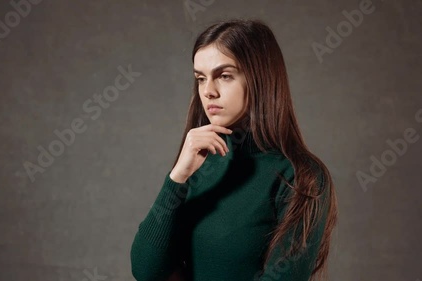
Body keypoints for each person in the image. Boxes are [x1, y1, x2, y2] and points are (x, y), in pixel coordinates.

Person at [130, 18, 338, 281]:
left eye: (224, 76)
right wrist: (177, 178)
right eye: (200, 78)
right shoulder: (198, 163)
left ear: (259, 79)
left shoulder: (301, 176)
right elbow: (145, 270)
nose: (208, 92)